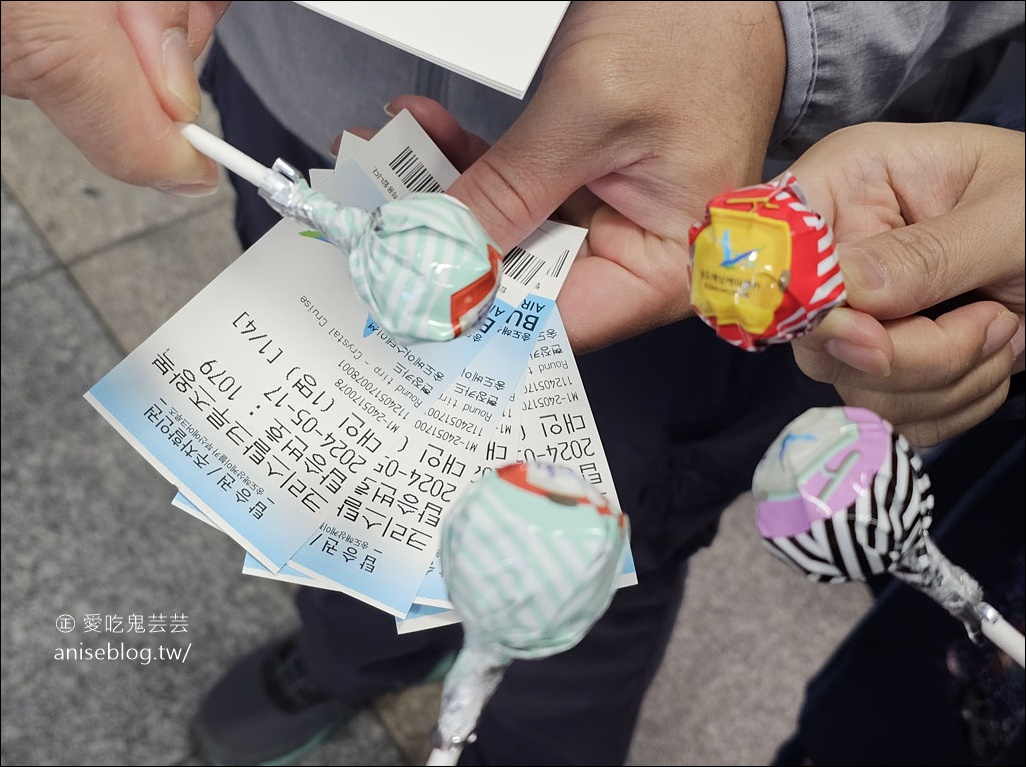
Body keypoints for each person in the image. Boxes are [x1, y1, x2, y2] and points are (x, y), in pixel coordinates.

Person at [2, 2, 1023, 764]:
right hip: (311, 98)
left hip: (685, 198)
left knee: (597, 552)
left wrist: (792, 22)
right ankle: (358, 648)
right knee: (340, 459)